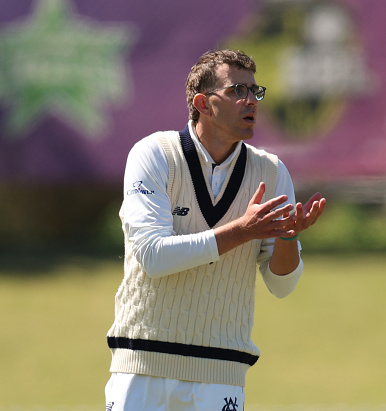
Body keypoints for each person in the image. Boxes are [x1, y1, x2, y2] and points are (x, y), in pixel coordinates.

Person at [105, 49, 326, 411]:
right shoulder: (154, 154)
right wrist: (242, 230)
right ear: (203, 104)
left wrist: (288, 236)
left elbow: (282, 284)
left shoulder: (271, 172)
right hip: (142, 367)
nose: (251, 100)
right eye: (238, 90)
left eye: (256, 91)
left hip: (222, 372)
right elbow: (153, 256)